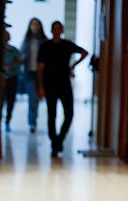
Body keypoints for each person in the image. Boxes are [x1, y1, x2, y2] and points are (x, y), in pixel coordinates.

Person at [37, 21, 88, 158]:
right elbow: (40, 67)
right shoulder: (45, 46)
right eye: (55, 29)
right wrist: (40, 86)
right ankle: (55, 144)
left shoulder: (67, 45)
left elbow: (84, 52)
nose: (57, 31)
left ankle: (59, 139)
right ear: (51, 30)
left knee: (69, 113)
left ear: (62, 30)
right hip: (49, 83)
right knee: (51, 115)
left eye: (59, 29)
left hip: (64, 83)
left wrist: (73, 65)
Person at [20, 18, 48, 134]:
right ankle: (32, 122)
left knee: (36, 99)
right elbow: (21, 55)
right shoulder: (26, 41)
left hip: (41, 73)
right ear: (30, 26)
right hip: (29, 73)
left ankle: (34, 121)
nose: (35, 27)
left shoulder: (44, 41)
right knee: (33, 98)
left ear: (40, 26)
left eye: (37, 25)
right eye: (33, 24)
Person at [2, 31, 23, 132]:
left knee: (10, 102)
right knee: (1, 101)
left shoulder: (13, 50)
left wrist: (11, 66)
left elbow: (20, 61)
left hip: (12, 79)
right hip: (1, 80)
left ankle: (7, 121)